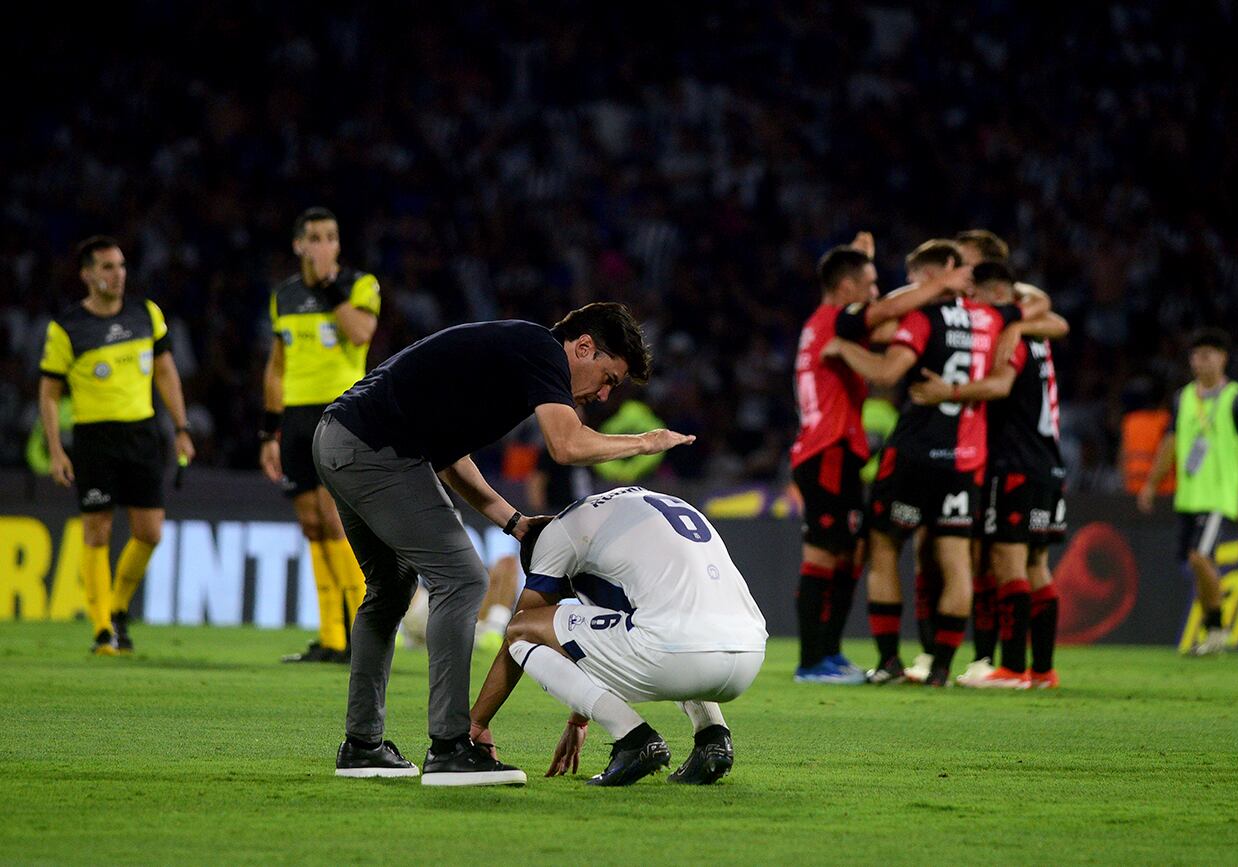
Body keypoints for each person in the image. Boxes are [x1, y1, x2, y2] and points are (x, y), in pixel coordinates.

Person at [316, 302, 694, 785]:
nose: (602, 395)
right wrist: (645, 442)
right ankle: (452, 746)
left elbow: (449, 455)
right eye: (609, 378)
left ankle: (362, 745)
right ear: (582, 347)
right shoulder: (540, 351)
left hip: (342, 439)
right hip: (374, 449)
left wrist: (512, 521)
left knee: (390, 589)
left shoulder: (516, 359)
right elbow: (566, 445)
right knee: (463, 578)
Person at [823, 239, 1060, 686]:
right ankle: (943, 668)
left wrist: (843, 349)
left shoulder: (921, 317)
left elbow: (887, 372)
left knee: (886, 548)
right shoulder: (994, 319)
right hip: (966, 459)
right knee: (956, 559)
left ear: (931, 277)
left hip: (914, 454)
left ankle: (890, 660)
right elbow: (1040, 325)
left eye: (916, 278)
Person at [468, 486, 768, 786]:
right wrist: (578, 718)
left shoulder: (555, 537)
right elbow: (600, 644)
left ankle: (634, 739)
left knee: (524, 631)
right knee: (669, 622)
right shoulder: (631, 509)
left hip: (677, 655)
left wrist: (477, 723)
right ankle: (713, 738)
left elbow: (518, 631)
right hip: (751, 653)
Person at [789, 231, 964, 685]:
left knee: (850, 554)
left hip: (837, 450)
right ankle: (813, 661)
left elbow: (873, 305)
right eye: (867, 285)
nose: (875, 294)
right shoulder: (834, 320)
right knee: (825, 557)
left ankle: (829, 654)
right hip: (825, 449)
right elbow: (885, 310)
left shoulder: (826, 317)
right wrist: (941, 283)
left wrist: (861, 260)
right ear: (847, 291)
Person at [909, 261, 1069, 688]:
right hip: (1048, 462)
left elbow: (999, 387)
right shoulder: (1037, 336)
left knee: (1007, 562)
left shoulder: (1008, 334)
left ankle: (1013, 668)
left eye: (975, 295)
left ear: (994, 294)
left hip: (1014, 463)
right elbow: (1057, 320)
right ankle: (1043, 670)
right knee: (1037, 565)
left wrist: (950, 392)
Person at [38, 236, 195, 654]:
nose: (117, 274)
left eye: (121, 266)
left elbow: (166, 372)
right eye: (107, 267)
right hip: (94, 439)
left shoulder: (146, 314)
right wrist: (56, 449)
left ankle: (119, 607)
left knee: (150, 532)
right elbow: (49, 393)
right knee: (97, 530)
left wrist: (181, 427)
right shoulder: (68, 327)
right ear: (87, 274)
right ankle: (102, 628)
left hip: (142, 433)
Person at [260, 208, 379, 664]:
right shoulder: (284, 296)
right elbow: (277, 366)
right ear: (299, 245)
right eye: (315, 237)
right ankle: (331, 637)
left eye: (331, 236)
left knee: (334, 521)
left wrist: (331, 285)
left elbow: (360, 332)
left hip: (342, 414)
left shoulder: (358, 286)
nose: (325, 244)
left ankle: (357, 632)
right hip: (295, 419)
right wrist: (268, 432)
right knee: (311, 524)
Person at [1138, 328, 1238, 656]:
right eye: (1196, 355)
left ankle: (1218, 629)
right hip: (1189, 496)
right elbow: (1170, 443)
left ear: (1224, 358)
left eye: (1209, 354)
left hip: (1219, 496)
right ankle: (1214, 631)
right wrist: (1151, 484)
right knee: (1193, 563)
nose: (1201, 361)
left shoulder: (1237, 398)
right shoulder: (1184, 398)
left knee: (1199, 557)